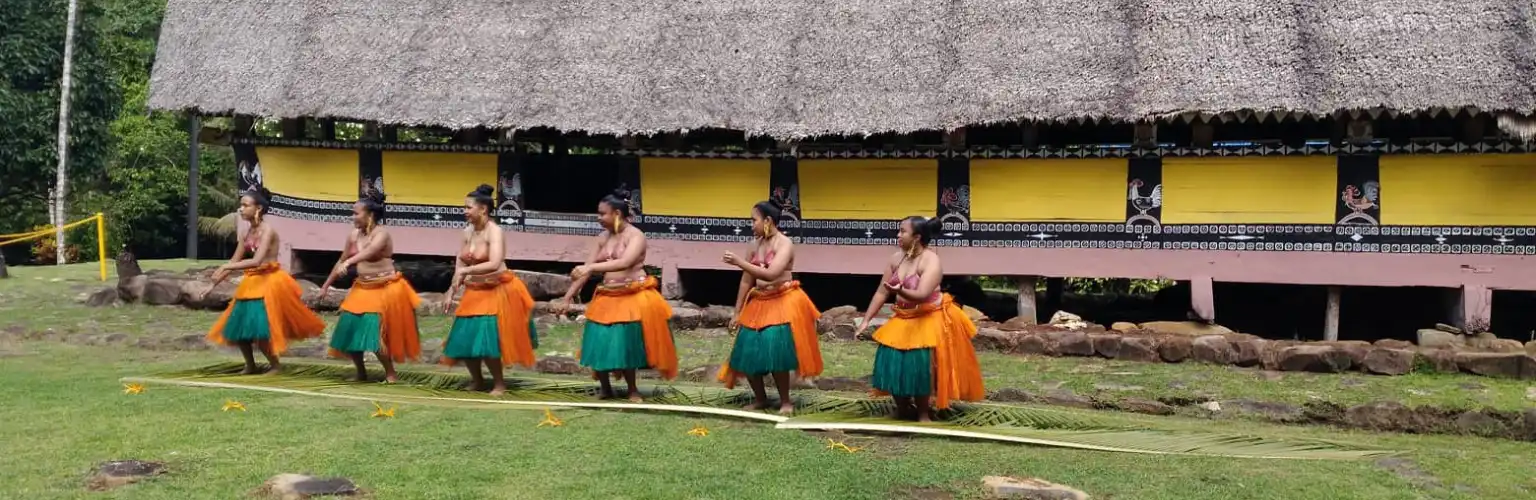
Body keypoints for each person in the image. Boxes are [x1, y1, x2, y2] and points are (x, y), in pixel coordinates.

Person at [852, 216, 984, 422]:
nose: (898, 235)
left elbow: (922, 293)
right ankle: (903, 407)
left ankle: (923, 412)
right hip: (903, 316)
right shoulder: (896, 259)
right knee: (891, 359)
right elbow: (881, 292)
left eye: (902, 231)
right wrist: (866, 320)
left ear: (917, 237)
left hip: (928, 316)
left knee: (921, 363)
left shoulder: (931, 260)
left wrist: (901, 290)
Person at [558, 188, 677, 402]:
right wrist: (567, 296)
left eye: (602, 213)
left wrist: (591, 268)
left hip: (633, 294)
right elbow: (586, 270)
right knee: (599, 339)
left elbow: (625, 262)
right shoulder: (602, 238)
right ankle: (605, 387)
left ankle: (632, 389)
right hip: (607, 295)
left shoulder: (636, 236)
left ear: (617, 214)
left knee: (625, 341)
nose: (598, 218)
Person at [202, 184, 327, 374]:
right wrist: (212, 284)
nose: (241, 209)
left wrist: (227, 266)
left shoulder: (268, 231)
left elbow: (257, 260)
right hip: (251, 283)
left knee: (262, 328)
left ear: (258, 208)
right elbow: (235, 260)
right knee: (239, 327)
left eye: (245, 205)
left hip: (269, 281)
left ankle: (275, 365)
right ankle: (250, 364)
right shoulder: (246, 233)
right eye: (241, 205)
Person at [716, 200, 822, 414]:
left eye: (753, 220)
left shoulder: (785, 244)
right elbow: (747, 280)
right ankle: (760, 398)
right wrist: (736, 312)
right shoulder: (753, 245)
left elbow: (772, 274)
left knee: (777, 352)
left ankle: (785, 401)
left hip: (782, 300)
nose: (751, 225)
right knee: (747, 351)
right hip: (759, 302)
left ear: (768, 221)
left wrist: (739, 262)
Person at [440, 184, 539, 396]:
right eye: (464, 207)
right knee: (464, 337)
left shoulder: (495, 232)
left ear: (483, 209)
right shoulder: (467, 232)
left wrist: (467, 272)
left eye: (468, 207)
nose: (464, 211)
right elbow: (460, 265)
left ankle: (499, 383)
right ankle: (477, 380)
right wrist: (452, 290)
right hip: (474, 290)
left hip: (498, 289)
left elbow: (494, 262)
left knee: (488, 339)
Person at [318, 190, 421, 383]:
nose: (353, 216)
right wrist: (325, 286)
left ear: (370, 215)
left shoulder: (382, 234)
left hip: (384, 287)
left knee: (373, 330)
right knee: (349, 328)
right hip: (362, 287)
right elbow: (341, 259)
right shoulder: (353, 235)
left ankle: (391, 374)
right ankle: (360, 372)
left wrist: (348, 264)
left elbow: (370, 251)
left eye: (356, 213)